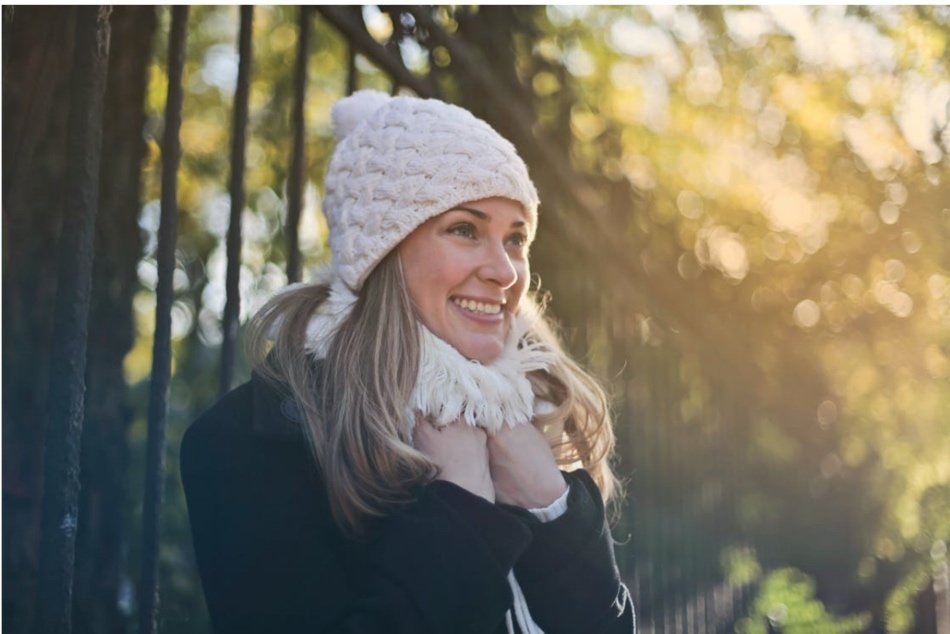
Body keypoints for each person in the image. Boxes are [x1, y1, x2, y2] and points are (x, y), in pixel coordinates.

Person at [181, 89, 636, 634]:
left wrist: (550, 507)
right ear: (383, 252)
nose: (507, 271)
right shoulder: (250, 443)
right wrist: (461, 511)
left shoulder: (531, 412)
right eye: (465, 230)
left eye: (515, 239)